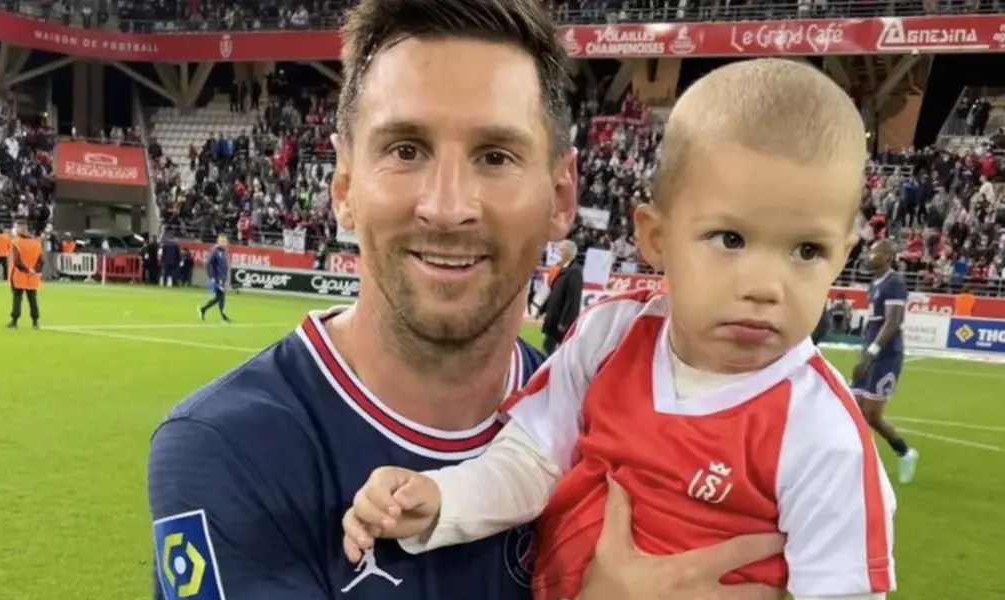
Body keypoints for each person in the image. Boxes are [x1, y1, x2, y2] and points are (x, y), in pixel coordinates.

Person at [148, 1, 781, 599]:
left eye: (495, 156)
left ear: (561, 196)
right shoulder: (229, 447)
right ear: (344, 186)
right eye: (405, 150)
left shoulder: (607, 420)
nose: (447, 207)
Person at [342, 59, 896, 600]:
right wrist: (442, 500)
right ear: (656, 238)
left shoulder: (823, 435)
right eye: (730, 239)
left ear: (842, 257)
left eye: (807, 250)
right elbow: (533, 461)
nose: (766, 286)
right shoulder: (612, 336)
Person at [852, 239, 919, 484]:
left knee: (871, 415)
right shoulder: (874, 284)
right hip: (869, 352)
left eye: (874, 252)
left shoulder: (894, 283)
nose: (870, 256)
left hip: (886, 356)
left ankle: (905, 452)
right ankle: (859, 463)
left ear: (888, 256)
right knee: (854, 410)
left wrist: (872, 352)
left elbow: (893, 321)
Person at [540, 240, 583, 354]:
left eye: (562, 249)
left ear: (569, 252)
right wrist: (542, 309)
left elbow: (573, 299)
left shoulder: (574, 271)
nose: (559, 252)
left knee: (555, 349)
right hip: (554, 317)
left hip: (560, 320)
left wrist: (564, 321)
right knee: (548, 347)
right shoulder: (563, 269)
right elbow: (554, 292)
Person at [7, 222, 43, 329]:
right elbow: (41, 261)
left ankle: (14, 321)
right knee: (32, 299)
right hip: (33, 276)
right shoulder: (37, 243)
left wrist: (27, 269)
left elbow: (17, 261)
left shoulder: (16, 242)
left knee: (17, 298)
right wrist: (34, 270)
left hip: (20, 275)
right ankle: (35, 321)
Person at [197, 234, 231, 322]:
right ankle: (223, 315)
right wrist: (212, 277)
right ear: (218, 241)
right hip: (217, 278)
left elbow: (224, 267)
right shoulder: (215, 251)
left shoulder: (225, 252)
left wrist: (225, 278)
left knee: (218, 297)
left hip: (222, 278)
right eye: (221, 241)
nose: (223, 243)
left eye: (225, 241)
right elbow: (208, 264)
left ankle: (203, 309)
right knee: (221, 296)